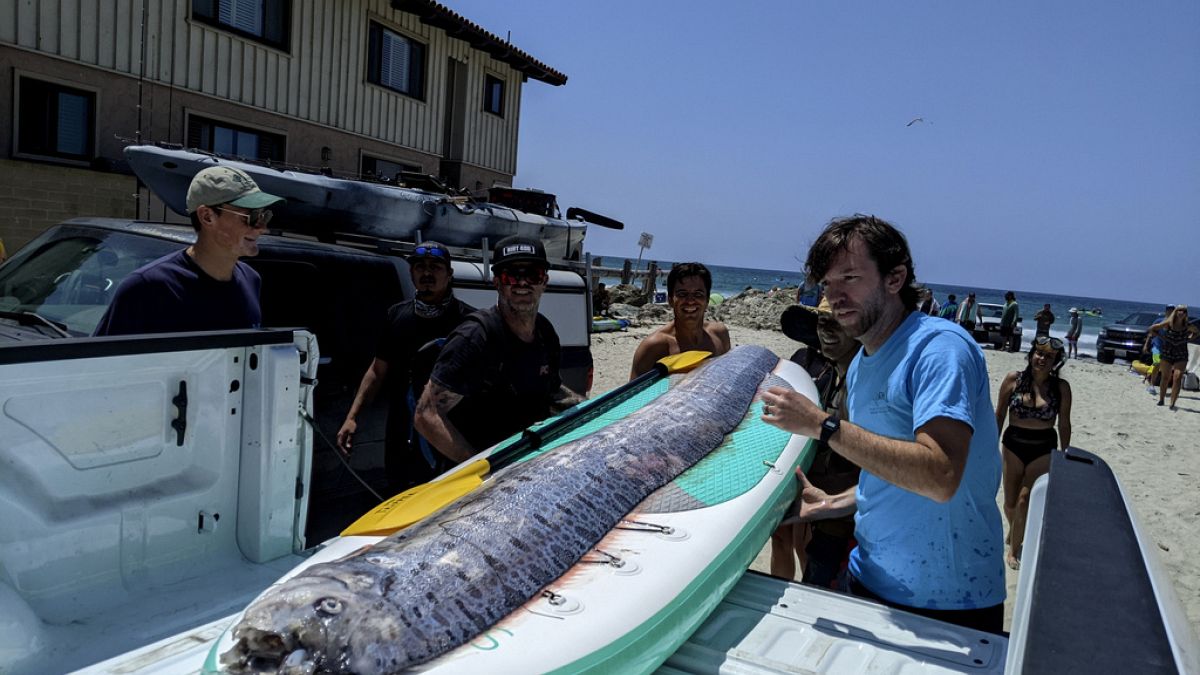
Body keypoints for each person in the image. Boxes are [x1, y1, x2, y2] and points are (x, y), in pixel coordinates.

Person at [761, 214, 1005, 634]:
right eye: (827, 284)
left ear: (895, 278)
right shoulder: (862, 365)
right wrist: (835, 503)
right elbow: (891, 468)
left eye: (850, 278)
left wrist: (824, 425)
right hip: (867, 578)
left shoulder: (939, 349)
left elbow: (940, 475)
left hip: (949, 600)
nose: (835, 297)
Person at [414, 235, 585, 462]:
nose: (522, 283)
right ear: (497, 283)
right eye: (511, 275)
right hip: (486, 470)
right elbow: (426, 415)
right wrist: (480, 467)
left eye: (532, 275)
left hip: (528, 458)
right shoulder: (475, 338)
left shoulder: (545, 332)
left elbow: (553, 391)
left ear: (544, 281)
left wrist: (596, 411)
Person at [336, 242, 477, 491]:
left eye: (435, 267)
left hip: (451, 432)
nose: (427, 273)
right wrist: (352, 417)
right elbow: (377, 371)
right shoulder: (396, 316)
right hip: (402, 433)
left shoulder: (469, 322)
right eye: (420, 267)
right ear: (411, 273)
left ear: (449, 274)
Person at [94, 166, 283, 335]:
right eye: (251, 216)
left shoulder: (251, 280)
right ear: (207, 216)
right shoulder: (147, 287)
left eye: (265, 216)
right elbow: (100, 366)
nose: (261, 228)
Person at [770, 297, 861, 586]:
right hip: (805, 477)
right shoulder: (807, 362)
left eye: (838, 322)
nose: (828, 331)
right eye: (823, 322)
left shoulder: (863, 378)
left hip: (841, 498)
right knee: (790, 540)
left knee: (816, 559)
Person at [995, 336, 1072, 570]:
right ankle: (1015, 530)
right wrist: (991, 444)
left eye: (1049, 356)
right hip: (1013, 445)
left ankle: (1014, 549)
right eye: (1039, 353)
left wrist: (1065, 453)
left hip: (1043, 447)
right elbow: (999, 415)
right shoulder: (1013, 380)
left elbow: (1065, 423)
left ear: (1056, 362)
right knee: (1009, 503)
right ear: (1031, 355)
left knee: (1024, 500)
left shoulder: (1061, 388)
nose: (1042, 359)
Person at [629, 262, 731, 379]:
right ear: (671, 300)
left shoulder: (720, 335)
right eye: (682, 294)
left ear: (707, 300)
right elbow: (632, 395)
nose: (690, 300)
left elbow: (726, 379)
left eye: (698, 294)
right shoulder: (654, 346)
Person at [1147, 306, 1200, 411]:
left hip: (1181, 353)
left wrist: (1189, 338)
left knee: (1178, 377)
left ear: (1186, 314)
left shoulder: (1187, 326)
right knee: (1165, 377)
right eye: (1179, 310)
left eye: (1184, 311)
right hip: (1167, 352)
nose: (1182, 312)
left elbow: (1197, 332)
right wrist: (1162, 337)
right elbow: (1152, 328)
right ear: (1175, 312)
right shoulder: (1168, 324)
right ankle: (1161, 399)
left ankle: (1172, 402)